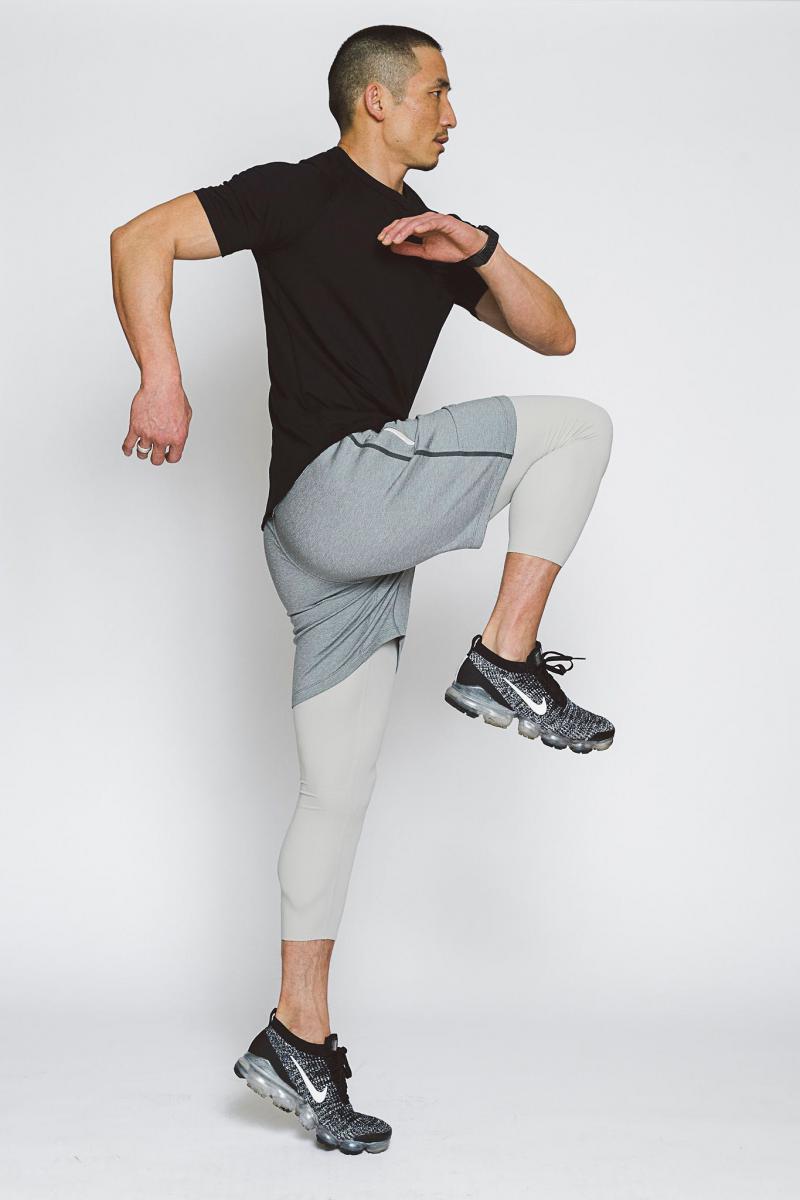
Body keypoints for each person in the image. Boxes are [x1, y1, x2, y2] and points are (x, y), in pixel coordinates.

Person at [110, 24, 615, 1156]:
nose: (452, 113)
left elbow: (555, 333)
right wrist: (160, 377)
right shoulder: (299, 192)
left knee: (335, 794)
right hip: (340, 491)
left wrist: (478, 247)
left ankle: (297, 1036)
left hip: (317, 543)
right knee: (579, 433)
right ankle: (504, 659)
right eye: (437, 91)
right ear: (376, 101)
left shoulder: (432, 235)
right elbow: (140, 237)